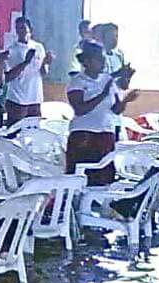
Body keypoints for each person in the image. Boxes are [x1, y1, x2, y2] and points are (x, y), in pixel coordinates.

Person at [66, 42, 138, 186]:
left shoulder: (107, 80)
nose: (103, 61)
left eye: (103, 58)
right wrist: (102, 94)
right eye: (98, 58)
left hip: (106, 132)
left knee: (104, 176)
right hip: (84, 134)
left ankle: (95, 205)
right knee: (82, 176)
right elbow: (80, 109)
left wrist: (126, 101)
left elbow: (115, 109)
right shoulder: (78, 81)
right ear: (86, 61)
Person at [5, 17, 55, 125]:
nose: (21, 32)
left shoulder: (39, 47)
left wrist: (46, 63)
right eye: (18, 29)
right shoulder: (11, 50)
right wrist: (25, 62)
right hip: (18, 99)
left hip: (35, 98)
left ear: (30, 30)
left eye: (23, 28)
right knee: (14, 134)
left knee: (33, 134)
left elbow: (42, 73)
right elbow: (7, 77)